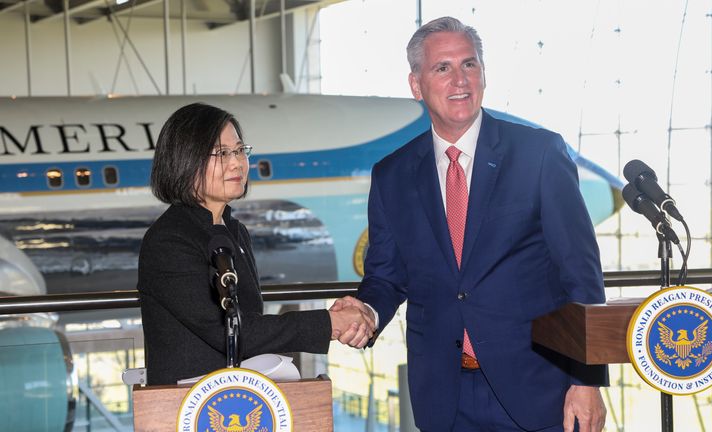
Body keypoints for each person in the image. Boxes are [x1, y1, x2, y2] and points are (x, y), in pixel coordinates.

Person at [332, 17, 608, 432]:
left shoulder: (538, 153)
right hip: (444, 396)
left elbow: (581, 275)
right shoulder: (392, 175)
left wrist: (586, 379)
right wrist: (367, 310)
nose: (459, 79)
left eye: (470, 64)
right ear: (416, 84)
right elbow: (387, 276)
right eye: (442, 67)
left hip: (537, 391)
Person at [138, 103, 373, 385]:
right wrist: (330, 323)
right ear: (185, 160)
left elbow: (248, 320)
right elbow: (230, 331)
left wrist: (331, 322)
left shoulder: (234, 232)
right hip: (186, 408)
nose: (237, 162)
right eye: (222, 153)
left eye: (239, 150)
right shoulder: (170, 240)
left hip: (237, 397)